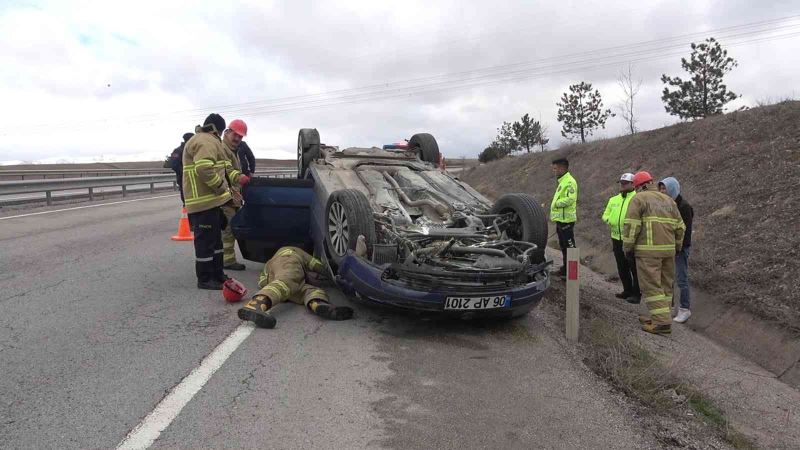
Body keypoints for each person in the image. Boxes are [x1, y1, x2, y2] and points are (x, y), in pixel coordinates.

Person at [623, 171, 685, 335]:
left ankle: (662, 323)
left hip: (648, 252)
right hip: (669, 252)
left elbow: (631, 226)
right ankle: (660, 316)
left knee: (651, 287)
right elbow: (680, 228)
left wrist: (627, 248)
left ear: (640, 186)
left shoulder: (639, 199)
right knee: (665, 286)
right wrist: (677, 247)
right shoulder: (669, 201)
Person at [237, 245, 357, 329]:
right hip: (289, 263)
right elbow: (319, 266)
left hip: (277, 279)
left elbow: (262, 281)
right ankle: (254, 306)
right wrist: (337, 276)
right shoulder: (295, 251)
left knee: (309, 290)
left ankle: (318, 304)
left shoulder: (269, 264)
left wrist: (276, 288)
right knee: (289, 279)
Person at [182, 113, 236, 290]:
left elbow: (220, 167)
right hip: (203, 203)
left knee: (216, 241)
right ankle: (205, 279)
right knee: (205, 242)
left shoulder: (209, 141)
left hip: (211, 202)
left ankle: (217, 274)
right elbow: (204, 168)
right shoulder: (205, 141)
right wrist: (220, 187)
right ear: (217, 130)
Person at [659, 177, 694, 324]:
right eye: (660, 188)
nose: (662, 191)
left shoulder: (684, 207)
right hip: (668, 247)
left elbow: (685, 231)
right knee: (668, 278)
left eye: (664, 188)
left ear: (672, 189)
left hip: (680, 248)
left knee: (681, 279)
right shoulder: (666, 205)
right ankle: (669, 306)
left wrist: (678, 247)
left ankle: (684, 309)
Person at [601, 173, 640, 302]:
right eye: (621, 182)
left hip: (630, 239)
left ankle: (636, 294)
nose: (622, 185)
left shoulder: (637, 199)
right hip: (616, 237)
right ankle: (627, 290)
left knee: (634, 267)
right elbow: (605, 214)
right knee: (621, 266)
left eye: (625, 183)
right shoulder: (613, 199)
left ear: (632, 184)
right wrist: (609, 220)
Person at [220, 119, 250, 271]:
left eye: (240, 136)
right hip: (225, 197)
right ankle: (227, 260)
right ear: (227, 132)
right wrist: (240, 177)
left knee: (229, 228)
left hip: (232, 197)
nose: (237, 138)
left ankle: (225, 259)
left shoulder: (231, 150)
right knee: (228, 229)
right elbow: (228, 170)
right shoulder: (223, 149)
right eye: (235, 135)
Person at [549, 158, 578, 277]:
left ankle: (572, 275)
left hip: (567, 221)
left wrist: (556, 203)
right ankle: (565, 270)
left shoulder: (569, 181)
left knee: (570, 248)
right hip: (560, 220)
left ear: (562, 168)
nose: (554, 171)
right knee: (563, 246)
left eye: (555, 168)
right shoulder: (562, 181)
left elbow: (571, 199)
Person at [165, 132, 194, 206]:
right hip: (183, 179)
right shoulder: (178, 150)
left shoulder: (193, 149)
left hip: (194, 180)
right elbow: (174, 165)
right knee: (187, 201)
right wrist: (185, 173)